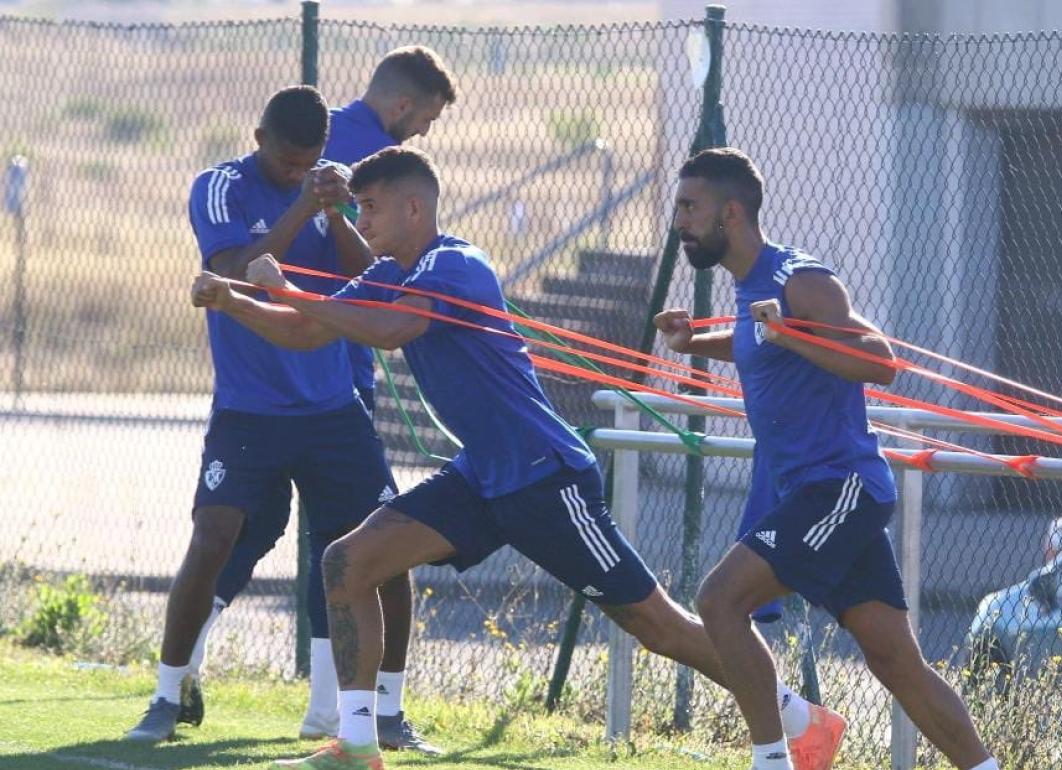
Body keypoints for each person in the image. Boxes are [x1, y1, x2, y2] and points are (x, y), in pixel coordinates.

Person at [189, 146, 842, 770]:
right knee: (347, 563)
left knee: (657, 627)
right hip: (483, 474)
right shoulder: (392, 270)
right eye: (357, 209)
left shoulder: (456, 263)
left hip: (543, 475)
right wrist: (233, 301)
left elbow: (389, 333)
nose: (361, 223)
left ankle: (795, 718)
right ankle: (356, 744)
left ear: (413, 209)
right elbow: (308, 332)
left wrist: (289, 290)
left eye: (370, 209)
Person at [655, 147, 1000, 770]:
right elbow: (762, 341)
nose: (678, 220)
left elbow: (880, 362)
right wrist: (693, 342)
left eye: (689, 206)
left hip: (839, 488)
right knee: (897, 661)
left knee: (720, 601)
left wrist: (787, 332)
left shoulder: (800, 280)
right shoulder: (750, 288)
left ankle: (772, 759)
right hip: (810, 492)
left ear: (730, 212)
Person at [183, 46, 459, 752]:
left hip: (333, 378)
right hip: (300, 381)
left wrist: (332, 221)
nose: (424, 131)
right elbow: (254, 280)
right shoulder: (319, 156)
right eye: (425, 116)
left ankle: (336, 710)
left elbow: (365, 278)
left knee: (341, 544)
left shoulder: (333, 147)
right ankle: (188, 672)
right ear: (402, 105)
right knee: (263, 534)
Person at [124, 86, 410, 747]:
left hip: (334, 407)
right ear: (259, 139)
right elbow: (232, 270)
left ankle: (385, 714)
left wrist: (336, 213)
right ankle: (168, 694)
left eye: (306, 161)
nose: (295, 171)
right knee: (212, 537)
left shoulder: (333, 194)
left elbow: (376, 283)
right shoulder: (220, 186)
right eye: (286, 162)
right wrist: (299, 207)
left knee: (383, 551)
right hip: (249, 410)